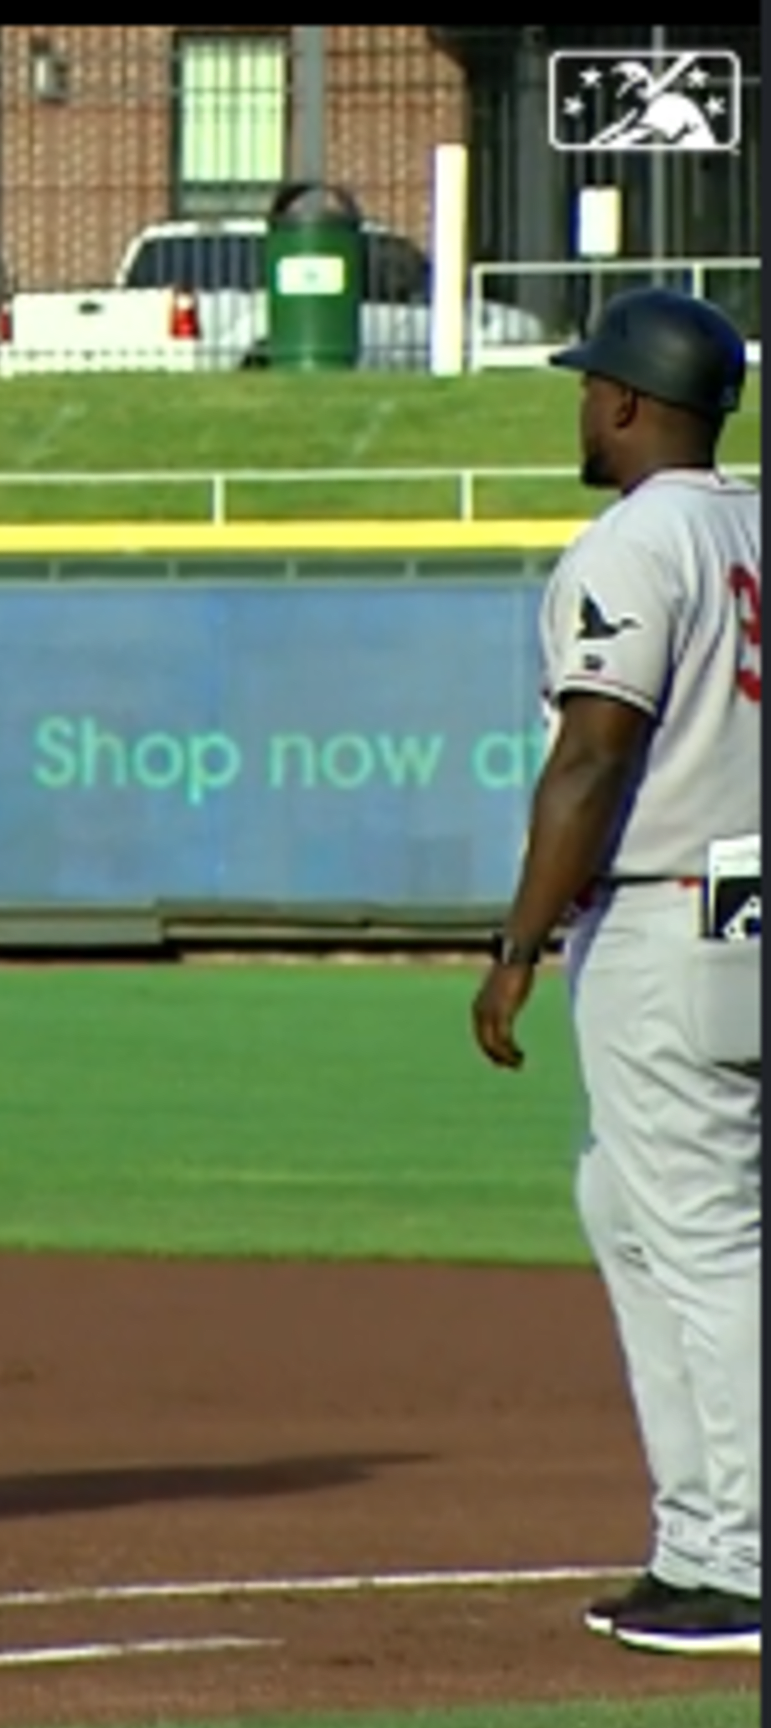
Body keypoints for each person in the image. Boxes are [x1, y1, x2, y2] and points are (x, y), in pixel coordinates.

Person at [472, 285, 761, 1659]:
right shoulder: (754, 521)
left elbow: (591, 754)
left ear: (636, 404)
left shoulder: (634, 543)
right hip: (745, 900)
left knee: (703, 1238)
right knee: (631, 1205)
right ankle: (701, 1536)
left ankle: (743, 1557)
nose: (581, 403)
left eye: (593, 385)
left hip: (668, 908)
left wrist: (517, 945)